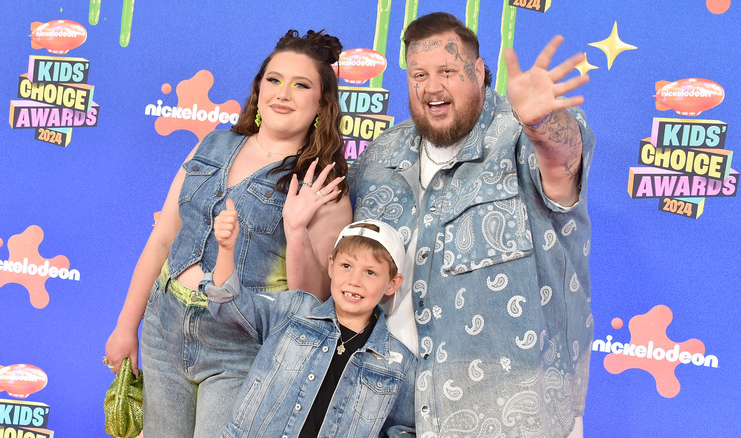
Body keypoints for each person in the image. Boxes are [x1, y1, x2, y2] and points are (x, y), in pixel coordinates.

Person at [348, 12, 596, 438]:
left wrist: (540, 123)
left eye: (447, 71)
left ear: (479, 72)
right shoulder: (379, 155)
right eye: (418, 74)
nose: (431, 87)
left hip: (508, 416)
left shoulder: (519, 136)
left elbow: (563, 164)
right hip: (385, 410)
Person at [104, 29, 353, 438]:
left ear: (322, 104)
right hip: (164, 329)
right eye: (274, 80)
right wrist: (125, 326)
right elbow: (163, 238)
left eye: (301, 84)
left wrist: (296, 229)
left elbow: (311, 304)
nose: (283, 93)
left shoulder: (324, 187)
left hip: (240, 349)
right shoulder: (213, 143)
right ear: (259, 89)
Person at [205, 203, 416, 437]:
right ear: (331, 266)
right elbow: (227, 304)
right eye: (346, 266)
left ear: (392, 283)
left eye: (370, 272)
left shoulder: (399, 364)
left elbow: (404, 430)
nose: (355, 280)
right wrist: (226, 248)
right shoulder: (294, 311)